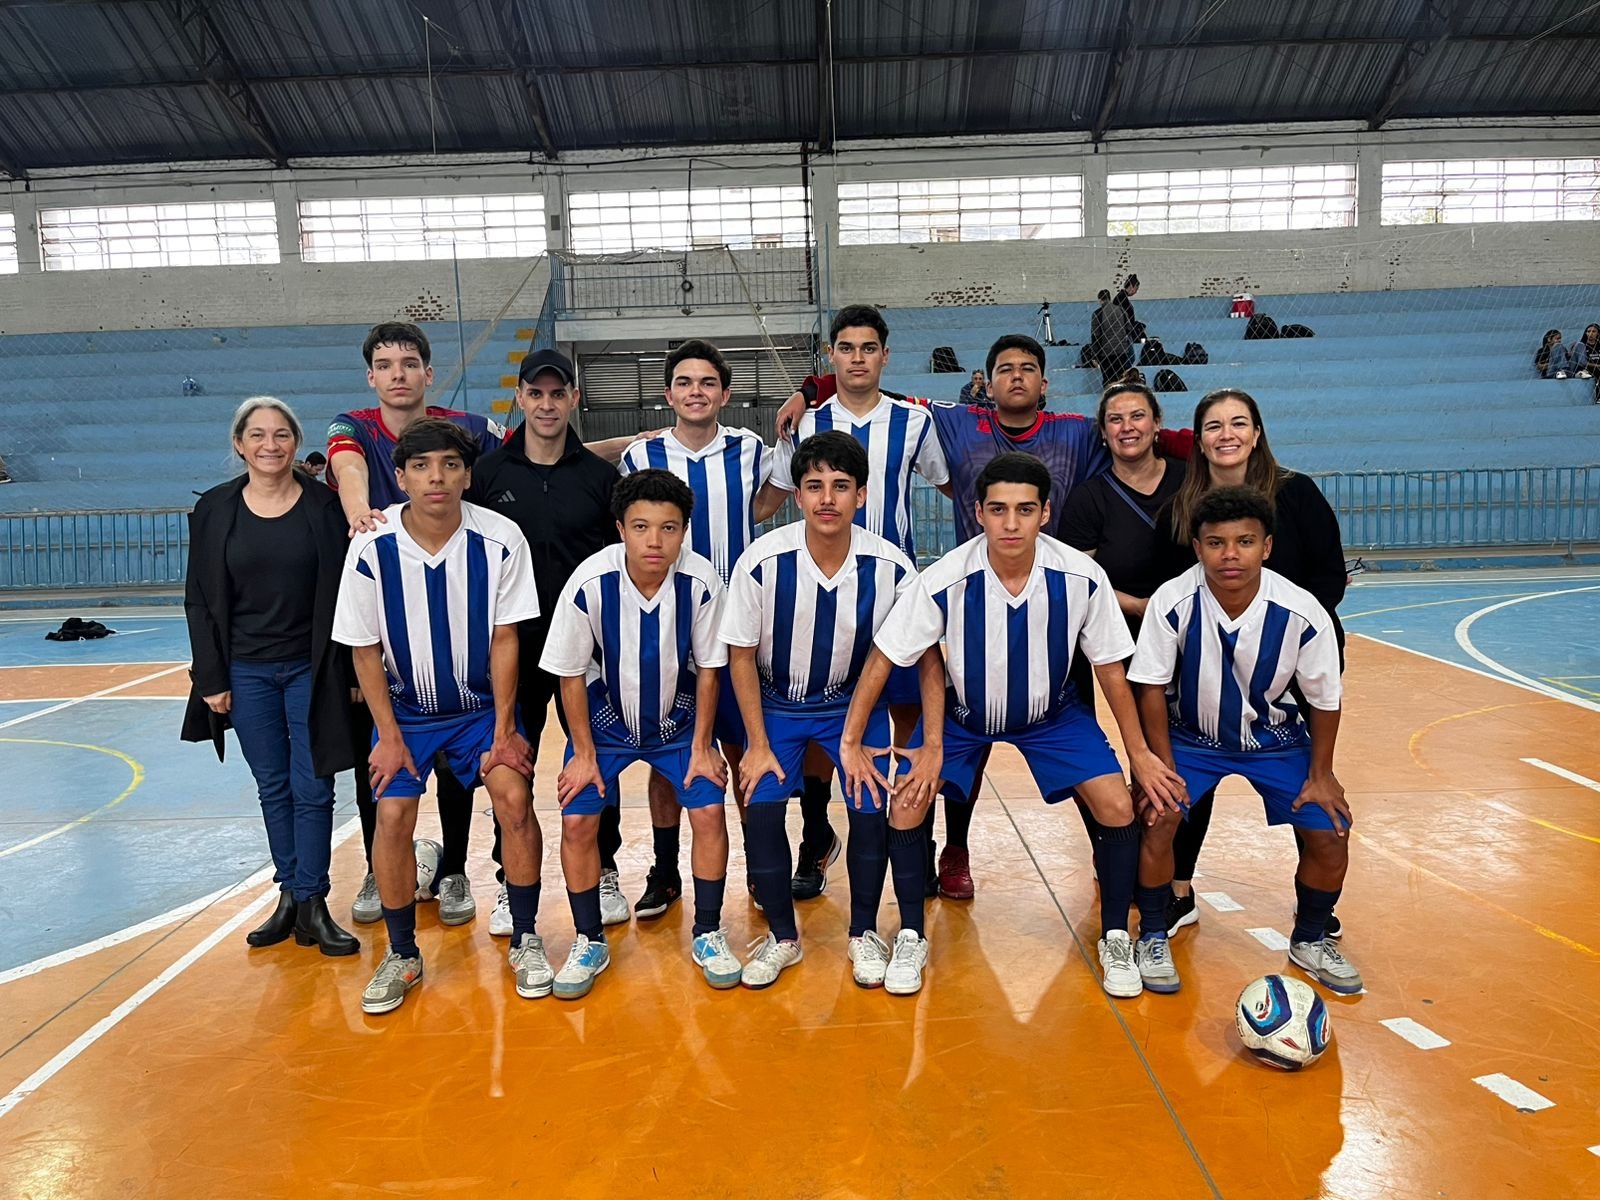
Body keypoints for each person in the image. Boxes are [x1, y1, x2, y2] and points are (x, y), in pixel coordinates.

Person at [776, 334, 1193, 900]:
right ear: (986, 382)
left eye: (1028, 368)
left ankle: (1109, 855)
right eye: (1005, 369)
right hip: (977, 611)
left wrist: (1195, 440)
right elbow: (871, 386)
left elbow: (1133, 434)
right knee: (942, 752)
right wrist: (811, 390)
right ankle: (952, 850)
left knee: (1088, 761)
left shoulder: (1076, 430)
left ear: (1044, 381)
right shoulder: (956, 422)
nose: (1017, 377)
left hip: (1056, 619)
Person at [865, 452, 1188, 998]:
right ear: (978, 513)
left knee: (1115, 805)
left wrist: (1139, 754)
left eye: (1024, 509)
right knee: (906, 802)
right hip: (965, 716)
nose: (1010, 523)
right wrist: (856, 739)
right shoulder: (944, 577)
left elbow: (1111, 670)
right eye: (998, 509)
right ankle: (912, 935)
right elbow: (887, 656)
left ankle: (1115, 935)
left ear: (1045, 512)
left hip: (1052, 716)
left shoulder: (1082, 576)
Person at [333, 419, 549, 1014]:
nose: (437, 477)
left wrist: (504, 731)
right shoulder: (371, 546)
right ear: (400, 477)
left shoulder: (501, 538)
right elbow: (364, 649)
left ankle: (526, 936)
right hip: (406, 712)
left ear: (467, 475)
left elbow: (506, 639)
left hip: (480, 710)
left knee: (513, 798)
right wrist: (387, 736)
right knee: (392, 813)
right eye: (422, 466)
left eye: (451, 465)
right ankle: (402, 952)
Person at [725, 432, 939, 994]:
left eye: (841, 486)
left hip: (852, 706)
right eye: (814, 486)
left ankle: (863, 933)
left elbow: (923, 656)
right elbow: (740, 656)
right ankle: (782, 937)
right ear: (796, 496)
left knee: (869, 810)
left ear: (861, 496)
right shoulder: (761, 562)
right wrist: (756, 743)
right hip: (777, 705)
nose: (827, 498)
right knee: (761, 812)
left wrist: (920, 740)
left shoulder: (891, 567)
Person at [1128, 486, 1361, 995]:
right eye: (1216, 543)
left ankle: (1310, 937)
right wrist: (1161, 766)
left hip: (1276, 739)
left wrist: (1321, 775)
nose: (1230, 555)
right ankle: (1152, 933)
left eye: (1245, 542)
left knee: (1331, 829)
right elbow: (1149, 687)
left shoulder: (1301, 611)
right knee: (1157, 815)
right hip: (1190, 737)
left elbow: (1324, 699)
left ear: (1267, 546)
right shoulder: (1173, 600)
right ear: (1197, 547)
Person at [327, 322, 509, 929]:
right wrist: (362, 515)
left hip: (455, 600)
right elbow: (349, 468)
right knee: (382, 753)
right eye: (385, 364)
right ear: (370, 377)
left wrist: (627, 444)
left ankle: (453, 868)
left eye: (409, 363)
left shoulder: (469, 427)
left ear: (428, 373)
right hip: (382, 607)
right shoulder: (352, 427)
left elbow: (540, 446)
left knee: (459, 758)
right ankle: (380, 868)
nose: (398, 374)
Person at [769, 305, 952, 901]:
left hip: (894, 599)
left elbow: (952, 485)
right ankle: (816, 836)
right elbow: (768, 500)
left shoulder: (915, 422)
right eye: (846, 348)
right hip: (822, 597)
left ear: (884, 356)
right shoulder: (807, 421)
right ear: (831, 356)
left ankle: (914, 841)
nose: (857, 358)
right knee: (822, 722)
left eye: (868, 348)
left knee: (905, 721)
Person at [540, 469, 737, 998]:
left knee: (709, 811)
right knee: (578, 821)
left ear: (684, 531)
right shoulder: (589, 581)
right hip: (604, 724)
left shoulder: (701, 581)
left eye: (669, 528)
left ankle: (708, 931)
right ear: (620, 529)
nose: (655, 541)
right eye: (642, 527)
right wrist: (582, 753)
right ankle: (588, 939)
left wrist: (702, 747)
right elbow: (569, 673)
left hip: (678, 723)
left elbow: (710, 668)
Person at [1162, 388, 1349, 940]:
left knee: (1304, 780)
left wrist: (1276, 636)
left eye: (1238, 423)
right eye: (1214, 426)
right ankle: (1178, 891)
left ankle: (1313, 907)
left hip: (1288, 663)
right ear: (1199, 441)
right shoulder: (1181, 503)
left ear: (1257, 432)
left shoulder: (1297, 493)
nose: (1227, 434)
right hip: (1206, 664)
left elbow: (1329, 576)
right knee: (1192, 782)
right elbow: (1170, 586)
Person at [182, 397, 359, 956]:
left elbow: (350, 593)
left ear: (295, 443)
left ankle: (312, 900)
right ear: (239, 445)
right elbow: (199, 599)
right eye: (257, 435)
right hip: (246, 672)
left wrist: (353, 669)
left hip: (312, 668)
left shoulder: (325, 507)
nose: (270, 445)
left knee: (315, 785)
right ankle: (290, 895)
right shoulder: (215, 509)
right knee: (273, 786)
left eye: (281, 434)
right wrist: (212, 677)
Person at [618, 339, 789, 917]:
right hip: (665, 622)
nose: (696, 392)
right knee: (669, 757)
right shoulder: (642, 456)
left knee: (742, 749)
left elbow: (764, 504)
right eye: (685, 383)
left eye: (708, 382)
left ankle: (760, 868)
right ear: (668, 394)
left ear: (725, 393)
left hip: (735, 622)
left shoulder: (749, 448)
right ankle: (666, 870)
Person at [468, 348, 628, 937]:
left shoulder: (600, 480)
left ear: (573, 399)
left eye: (557, 394)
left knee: (597, 755)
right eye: (535, 394)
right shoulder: (487, 476)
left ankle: (604, 867)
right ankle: (510, 880)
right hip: (514, 645)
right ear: (520, 399)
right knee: (511, 760)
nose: (546, 405)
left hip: (589, 649)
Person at [1060, 382, 1189, 637]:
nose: (1127, 427)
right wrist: (1137, 606)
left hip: (1196, 629)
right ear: (1103, 431)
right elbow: (1076, 580)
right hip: (1123, 636)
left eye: (1137, 416)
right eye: (1115, 419)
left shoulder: (1192, 480)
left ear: (1157, 423)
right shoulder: (1088, 499)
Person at [1093, 290, 1136, 387]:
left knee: (1108, 379)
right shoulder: (1121, 310)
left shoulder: (1097, 313)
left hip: (1105, 352)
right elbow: (1129, 328)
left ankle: (1109, 393)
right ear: (1109, 298)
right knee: (1120, 378)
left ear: (1100, 300)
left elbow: (1095, 335)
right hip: (1121, 350)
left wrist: (1095, 355)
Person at [1114, 273, 1146, 342]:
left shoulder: (1122, 296)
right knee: (1143, 338)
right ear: (1131, 286)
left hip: (1125, 330)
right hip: (1124, 332)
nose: (1136, 292)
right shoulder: (1122, 298)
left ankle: (1143, 341)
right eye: (1136, 289)